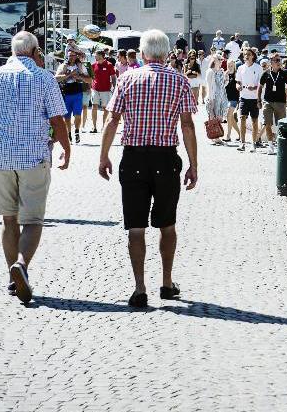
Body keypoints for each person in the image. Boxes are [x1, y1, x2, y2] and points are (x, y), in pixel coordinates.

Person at [100, 29, 198, 308]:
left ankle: (140, 288)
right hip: (166, 159)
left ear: (142, 54)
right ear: (167, 54)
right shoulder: (179, 81)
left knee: (136, 228)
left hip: (134, 159)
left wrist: (103, 155)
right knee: (167, 225)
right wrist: (193, 164)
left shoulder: (127, 79)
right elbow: (187, 125)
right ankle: (167, 284)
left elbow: (112, 120)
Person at [0, 32, 71, 304]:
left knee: (8, 220)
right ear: (35, 51)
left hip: (1, 157)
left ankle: (11, 277)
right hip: (33, 157)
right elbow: (57, 118)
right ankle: (21, 265)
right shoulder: (44, 77)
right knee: (32, 221)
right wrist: (66, 147)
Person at [259, 56, 287, 154]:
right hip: (268, 102)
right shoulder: (266, 73)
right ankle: (270, 146)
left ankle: (280, 145)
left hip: (281, 102)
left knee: (281, 125)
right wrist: (258, 100)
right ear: (271, 62)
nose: (279, 62)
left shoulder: (285, 73)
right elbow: (260, 87)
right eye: (277, 60)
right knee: (267, 124)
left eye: (280, 60)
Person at [55, 49, 89, 143]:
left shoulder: (80, 66)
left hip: (77, 92)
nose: (71, 57)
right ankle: (69, 133)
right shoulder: (62, 66)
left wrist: (79, 77)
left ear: (76, 56)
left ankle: (77, 131)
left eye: (73, 55)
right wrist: (70, 75)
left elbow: (90, 79)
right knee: (67, 117)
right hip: (66, 93)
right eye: (69, 55)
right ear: (67, 56)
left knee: (78, 115)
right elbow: (56, 78)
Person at [235, 48, 263, 151]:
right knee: (242, 118)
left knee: (254, 121)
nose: (246, 56)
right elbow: (238, 81)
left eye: (248, 54)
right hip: (243, 97)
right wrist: (238, 86)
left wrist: (254, 88)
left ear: (253, 56)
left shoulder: (259, 68)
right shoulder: (240, 68)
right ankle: (242, 143)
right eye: (245, 54)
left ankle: (253, 143)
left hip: (255, 98)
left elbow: (261, 84)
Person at [89, 49, 116, 134]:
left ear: (101, 56)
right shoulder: (93, 65)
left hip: (106, 90)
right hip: (95, 89)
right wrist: (89, 86)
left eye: (96, 55)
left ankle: (104, 126)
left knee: (105, 108)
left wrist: (115, 87)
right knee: (94, 106)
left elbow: (113, 77)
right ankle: (94, 127)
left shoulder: (109, 65)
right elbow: (90, 77)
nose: (95, 56)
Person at [205, 52, 228, 144]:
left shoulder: (221, 71)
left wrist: (226, 79)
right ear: (214, 60)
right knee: (212, 117)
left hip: (222, 96)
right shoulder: (210, 71)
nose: (221, 61)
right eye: (219, 59)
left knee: (219, 117)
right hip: (213, 97)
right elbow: (209, 86)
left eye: (222, 59)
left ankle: (216, 135)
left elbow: (223, 85)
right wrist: (211, 100)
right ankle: (214, 136)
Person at [221, 59, 242, 146]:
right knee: (231, 118)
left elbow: (239, 85)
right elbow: (222, 85)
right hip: (226, 98)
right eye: (228, 65)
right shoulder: (225, 74)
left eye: (231, 65)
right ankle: (240, 134)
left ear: (234, 65)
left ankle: (228, 135)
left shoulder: (237, 74)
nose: (230, 67)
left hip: (234, 98)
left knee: (229, 115)